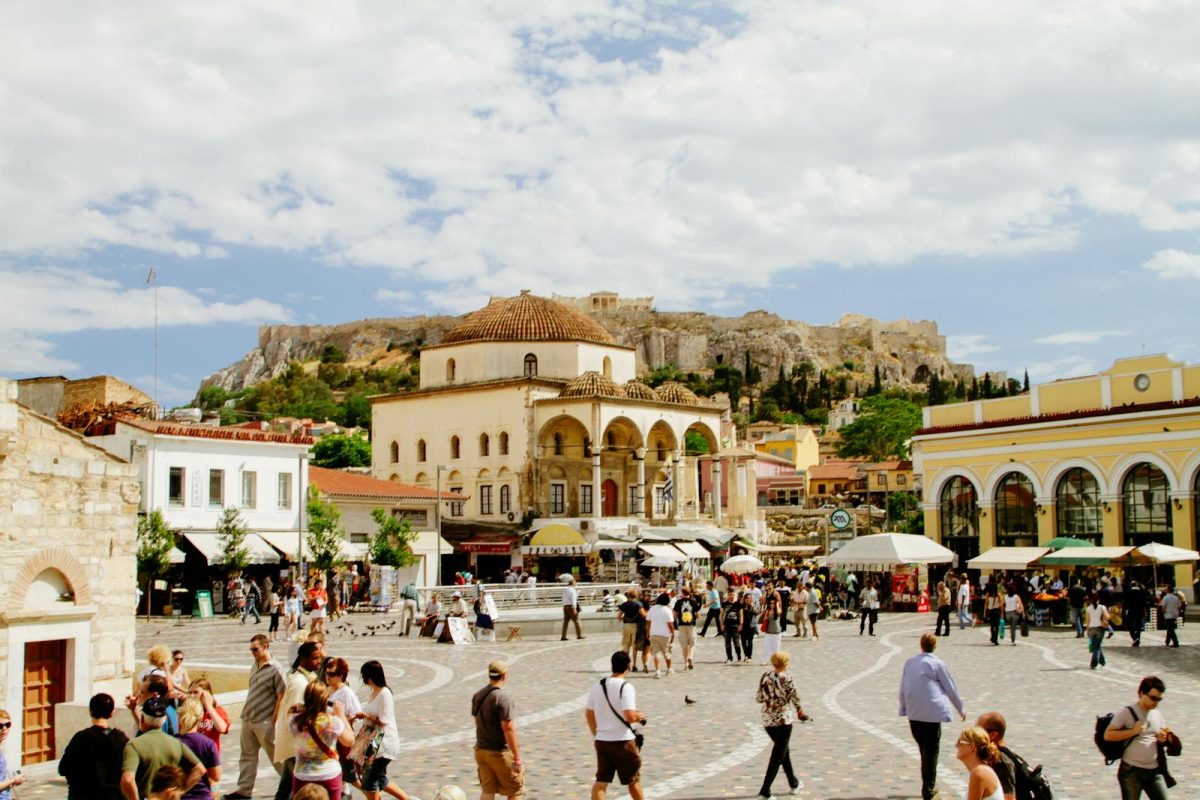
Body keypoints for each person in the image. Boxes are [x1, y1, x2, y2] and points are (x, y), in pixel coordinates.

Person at [899, 633, 966, 800]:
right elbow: (950, 687)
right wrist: (960, 708)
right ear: (934, 646)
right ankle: (928, 789)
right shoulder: (937, 663)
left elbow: (903, 686)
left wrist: (903, 707)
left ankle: (928, 785)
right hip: (932, 713)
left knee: (924, 750)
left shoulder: (910, 662)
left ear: (921, 645)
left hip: (914, 713)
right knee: (931, 752)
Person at [226, 635, 287, 800]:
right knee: (247, 756)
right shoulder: (254, 665)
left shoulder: (276, 668)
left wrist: (274, 721)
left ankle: (293, 785)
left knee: (277, 757)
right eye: (251, 649)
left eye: (255, 649)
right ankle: (244, 791)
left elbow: (281, 696)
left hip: (265, 721)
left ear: (266, 646)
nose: (252, 652)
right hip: (248, 718)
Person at [585, 651, 645, 800]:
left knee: (601, 781)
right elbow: (629, 716)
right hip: (623, 742)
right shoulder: (626, 687)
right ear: (628, 666)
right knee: (634, 780)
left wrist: (597, 733)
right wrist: (639, 716)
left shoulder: (598, 685)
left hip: (602, 741)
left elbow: (589, 713)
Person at [120, 697, 205, 800]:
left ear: (142, 718)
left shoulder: (134, 745)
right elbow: (199, 770)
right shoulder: (176, 743)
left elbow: (128, 780)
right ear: (164, 720)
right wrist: (179, 792)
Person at [1103, 675, 1173, 800]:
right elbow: (1108, 735)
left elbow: (1159, 739)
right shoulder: (1127, 712)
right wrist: (1133, 731)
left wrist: (1163, 739)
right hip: (1131, 772)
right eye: (1153, 698)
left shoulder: (1157, 714)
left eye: (1159, 699)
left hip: (1154, 771)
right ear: (1141, 693)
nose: (1156, 702)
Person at [355, 660, 415, 800]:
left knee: (369, 781)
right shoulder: (374, 693)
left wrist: (365, 715)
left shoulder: (385, 693)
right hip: (373, 742)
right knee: (379, 778)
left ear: (370, 676)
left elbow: (384, 721)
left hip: (383, 743)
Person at [274, 640, 325, 800]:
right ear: (303, 659)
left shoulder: (303, 678)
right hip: (295, 746)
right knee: (300, 791)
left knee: (286, 789)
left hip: (295, 746)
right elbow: (295, 715)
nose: (319, 661)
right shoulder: (300, 684)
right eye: (315, 658)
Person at [755, 651, 808, 799]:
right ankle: (765, 790)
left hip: (768, 721)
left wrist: (770, 699)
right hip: (783, 720)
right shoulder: (787, 678)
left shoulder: (765, 676)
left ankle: (794, 783)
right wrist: (800, 710)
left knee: (784, 752)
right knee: (777, 756)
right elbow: (795, 696)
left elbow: (758, 698)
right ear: (785, 663)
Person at [289, 681, 355, 800]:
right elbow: (349, 741)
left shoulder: (295, 721)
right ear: (325, 699)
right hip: (328, 773)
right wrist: (341, 715)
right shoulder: (332, 721)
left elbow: (290, 712)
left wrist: (301, 708)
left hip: (302, 774)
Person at [59, 693, 130, 800]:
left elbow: (63, 768)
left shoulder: (80, 738)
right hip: (112, 795)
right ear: (112, 713)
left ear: (91, 712)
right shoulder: (120, 740)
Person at [472, 661, 524, 800]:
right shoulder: (503, 699)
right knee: (515, 790)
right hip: (500, 753)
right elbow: (508, 728)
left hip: (481, 750)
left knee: (488, 790)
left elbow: (477, 721)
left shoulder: (478, 695)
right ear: (504, 675)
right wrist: (517, 757)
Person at [176, 698, 221, 800]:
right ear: (201, 717)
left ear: (179, 716)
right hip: (202, 795)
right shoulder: (207, 743)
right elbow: (216, 776)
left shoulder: (172, 741)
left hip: (180, 795)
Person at [954, 726, 1004, 800]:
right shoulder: (982, 770)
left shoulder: (979, 773)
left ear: (971, 747)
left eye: (960, 741)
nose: (956, 745)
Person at [975, 713, 1017, 800]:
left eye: (978, 730)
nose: (974, 733)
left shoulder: (1001, 762)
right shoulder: (991, 756)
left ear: (993, 735)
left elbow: (1009, 798)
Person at [186, 679, 229, 756]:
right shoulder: (186, 712)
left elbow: (222, 728)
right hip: (192, 756)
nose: (192, 696)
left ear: (206, 694)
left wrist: (209, 706)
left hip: (210, 757)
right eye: (190, 692)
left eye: (196, 692)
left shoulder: (217, 711)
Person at [646, 592, 675, 678]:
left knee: (656, 653)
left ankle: (658, 671)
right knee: (667, 653)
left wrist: (648, 632)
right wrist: (673, 634)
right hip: (665, 635)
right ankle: (669, 669)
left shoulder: (652, 609)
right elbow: (670, 624)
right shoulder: (667, 610)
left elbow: (648, 622)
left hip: (654, 633)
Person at [617, 588, 646, 664]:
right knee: (634, 646)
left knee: (626, 645)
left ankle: (626, 664)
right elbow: (643, 615)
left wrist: (623, 621)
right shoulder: (639, 604)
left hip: (626, 625)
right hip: (636, 626)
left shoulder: (624, 604)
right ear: (635, 595)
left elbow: (619, 616)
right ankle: (634, 665)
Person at [673, 586, 699, 670]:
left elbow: (675, 613)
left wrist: (679, 617)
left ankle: (685, 664)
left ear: (682, 592)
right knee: (692, 643)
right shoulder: (693, 602)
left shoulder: (678, 602)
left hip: (681, 625)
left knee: (684, 645)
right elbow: (697, 615)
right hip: (691, 625)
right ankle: (690, 657)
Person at [1086, 592, 1110, 670]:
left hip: (1091, 628)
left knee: (1096, 646)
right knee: (1097, 647)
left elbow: (1088, 620)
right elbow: (1107, 617)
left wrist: (1087, 630)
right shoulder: (1102, 607)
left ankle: (1102, 661)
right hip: (1100, 628)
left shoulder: (1088, 608)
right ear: (1098, 600)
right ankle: (1094, 664)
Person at [759, 592, 783, 665]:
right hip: (769, 632)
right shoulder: (767, 611)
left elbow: (779, 612)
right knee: (766, 647)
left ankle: (777, 661)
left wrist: (777, 605)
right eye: (771, 603)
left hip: (776, 632)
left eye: (773, 603)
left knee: (776, 648)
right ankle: (765, 660)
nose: (772, 604)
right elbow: (764, 619)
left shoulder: (777, 610)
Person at [722, 589, 744, 663]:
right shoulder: (724, 604)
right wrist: (722, 624)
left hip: (735, 625)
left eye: (732, 595)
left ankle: (739, 656)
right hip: (727, 625)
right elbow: (721, 615)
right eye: (729, 595)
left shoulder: (738, 604)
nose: (731, 596)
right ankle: (729, 658)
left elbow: (741, 614)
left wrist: (741, 624)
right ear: (728, 596)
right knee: (727, 643)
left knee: (736, 643)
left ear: (734, 595)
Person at [561, 575, 585, 640]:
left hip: (565, 606)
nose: (576, 583)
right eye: (575, 582)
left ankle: (563, 636)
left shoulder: (565, 589)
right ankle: (579, 635)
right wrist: (574, 608)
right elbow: (574, 599)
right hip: (571, 607)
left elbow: (566, 598)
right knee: (577, 621)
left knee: (565, 622)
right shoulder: (572, 590)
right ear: (573, 583)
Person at [1125, 581, 1147, 647]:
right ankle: (1137, 639)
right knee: (1138, 626)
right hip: (1140, 611)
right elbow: (1144, 602)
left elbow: (1126, 603)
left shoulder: (1128, 592)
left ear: (1131, 585)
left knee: (1129, 625)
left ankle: (1135, 638)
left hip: (1131, 611)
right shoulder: (1141, 592)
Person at [740, 590, 758, 663]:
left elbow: (756, 613)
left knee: (750, 642)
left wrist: (753, 607)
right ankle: (746, 655)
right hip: (743, 627)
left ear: (751, 599)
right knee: (743, 642)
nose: (748, 599)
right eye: (746, 598)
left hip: (751, 626)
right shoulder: (742, 607)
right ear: (744, 599)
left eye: (749, 598)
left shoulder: (753, 606)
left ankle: (749, 656)